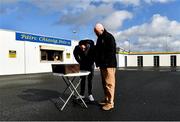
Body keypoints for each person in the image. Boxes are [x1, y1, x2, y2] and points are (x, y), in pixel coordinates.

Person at [94, 23, 117, 110]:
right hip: (102, 65)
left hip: (109, 64)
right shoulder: (99, 38)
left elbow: (111, 51)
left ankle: (111, 103)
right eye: (95, 32)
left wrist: (104, 61)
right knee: (104, 83)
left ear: (102, 30)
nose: (96, 34)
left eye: (96, 32)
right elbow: (98, 51)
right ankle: (106, 99)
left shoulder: (109, 37)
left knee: (109, 83)